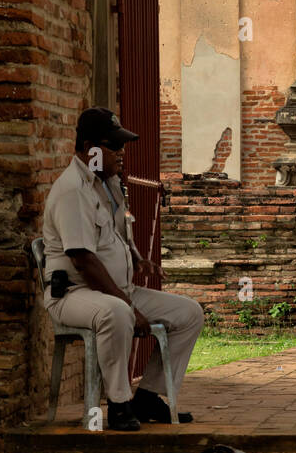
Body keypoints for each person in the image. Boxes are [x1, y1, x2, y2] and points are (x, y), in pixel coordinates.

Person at [42, 107, 204, 431]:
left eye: (121, 147)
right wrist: (130, 307)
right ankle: (118, 404)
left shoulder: (108, 183)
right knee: (116, 313)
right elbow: (84, 260)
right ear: (90, 149)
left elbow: (115, 233)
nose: (120, 153)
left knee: (189, 314)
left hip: (115, 292)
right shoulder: (73, 190)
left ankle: (148, 396)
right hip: (74, 295)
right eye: (113, 147)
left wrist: (136, 258)